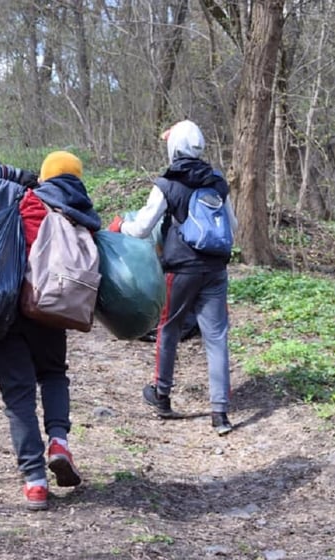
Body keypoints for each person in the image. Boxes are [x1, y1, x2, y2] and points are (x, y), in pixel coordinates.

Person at [0, 151, 101, 510]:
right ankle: (59, 440)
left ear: (46, 176)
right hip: (54, 311)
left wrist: (20, 176)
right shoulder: (85, 215)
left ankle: (35, 481)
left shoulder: (23, 198)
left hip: (8, 310)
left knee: (18, 395)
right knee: (53, 374)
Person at [108, 119, 237, 435]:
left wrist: (118, 227)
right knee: (216, 337)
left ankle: (162, 395)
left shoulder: (167, 183)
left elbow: (141, 228)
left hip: (180, 270)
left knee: (168, 328)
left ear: (173, 147)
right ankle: (220, 413)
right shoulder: (217, 181)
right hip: (215, 269)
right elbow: (232, 227)